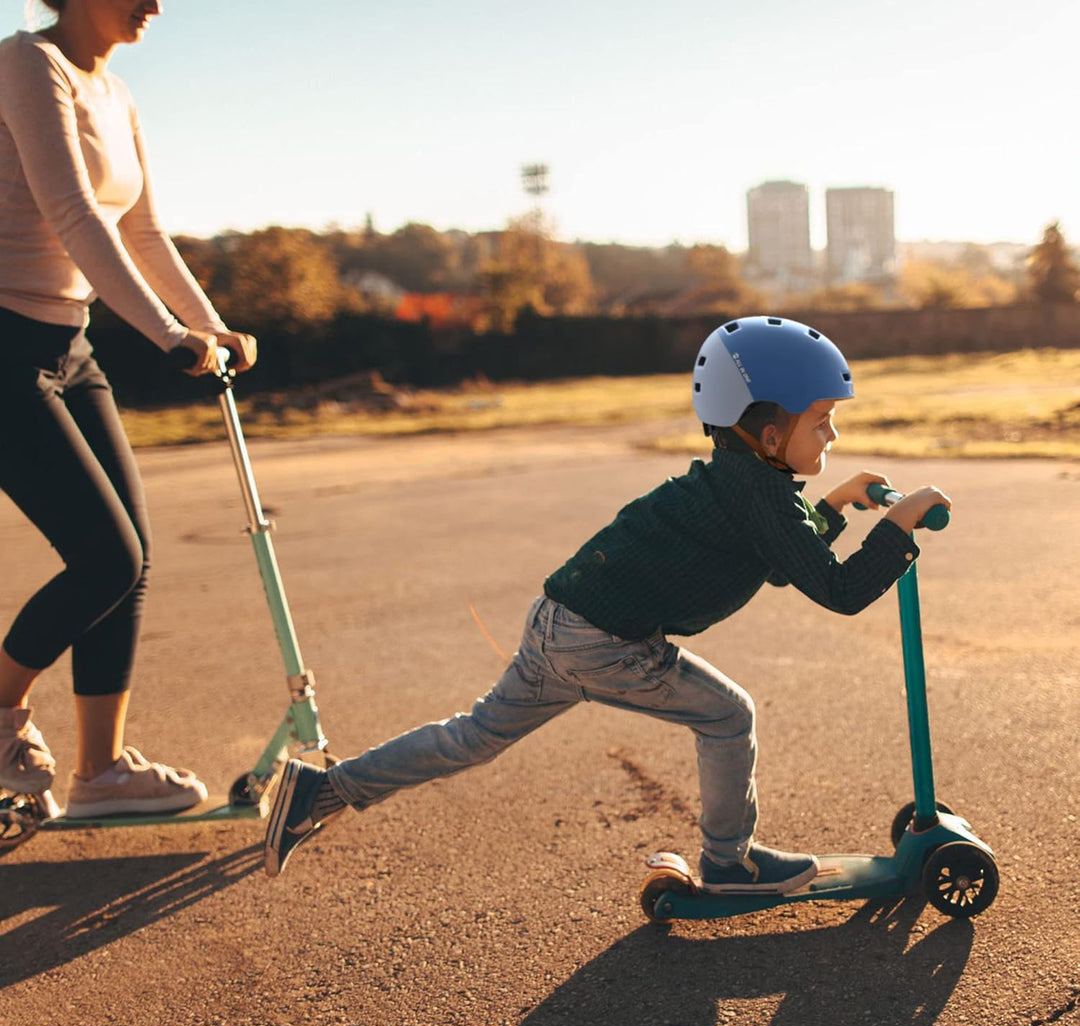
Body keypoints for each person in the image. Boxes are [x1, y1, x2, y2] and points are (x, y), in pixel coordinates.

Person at [264, 316, 951, 889]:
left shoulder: (739, 481)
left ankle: (321, 791)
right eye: (823, 421)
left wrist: (832, 507)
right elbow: (838, 590)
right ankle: (728, 860)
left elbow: (783, 559)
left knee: (472, 737)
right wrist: (897, 527)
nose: (831, 436)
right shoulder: (763, 494)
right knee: (727, 716)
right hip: (605, 645)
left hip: (559, 622)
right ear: (771, 437)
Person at [0, 0, 256, 816]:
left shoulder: (115, 93)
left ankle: (98, 774)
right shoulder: (26, 64)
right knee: (105, 556)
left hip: (68, 344)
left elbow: (142, 227)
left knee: (132, 559)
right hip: (2, 342)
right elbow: (73, 213)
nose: (155, 4)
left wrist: (208, 325)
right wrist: (166, 332)